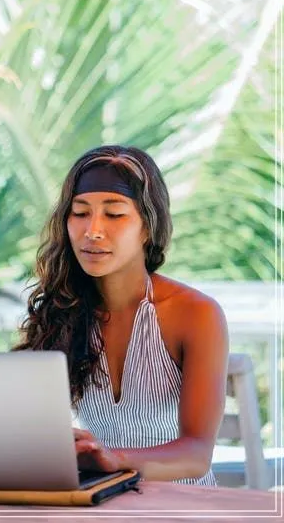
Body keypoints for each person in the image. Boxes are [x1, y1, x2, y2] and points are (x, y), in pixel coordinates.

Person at [14, 144, 229, 485]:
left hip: (184, 503)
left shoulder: (197, 314)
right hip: (101, 499)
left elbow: (197, 454)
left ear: (148, 227)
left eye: (114, 215)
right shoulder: (62, 312)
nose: (92, 230)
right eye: (80, 213)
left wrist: (115, 459)